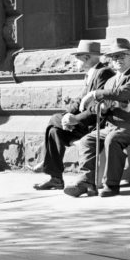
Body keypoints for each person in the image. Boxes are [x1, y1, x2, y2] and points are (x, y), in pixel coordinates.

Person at [64, 38, 130, 198]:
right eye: (114, 57)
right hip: (111, 125)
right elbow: (101, 104)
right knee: (87, 140)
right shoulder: (111, 80)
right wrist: (102, 108)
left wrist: (95, 94)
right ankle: (87, 183)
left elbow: (125, 93)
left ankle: (111, 185)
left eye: (122, 56)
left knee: (112, 140)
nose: (118, 60)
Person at [33, 40, 114, 191]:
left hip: (94, 124)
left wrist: (74, 119)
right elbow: (79, 100)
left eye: (77, 57)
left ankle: (45, 162)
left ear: (86, 58)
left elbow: (96, 108)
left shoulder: (103, 73)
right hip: (83, 123)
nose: (75, 61)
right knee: (54, 131)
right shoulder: (91, 74)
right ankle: (56, 178)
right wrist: (68, 115)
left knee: (54, 119)